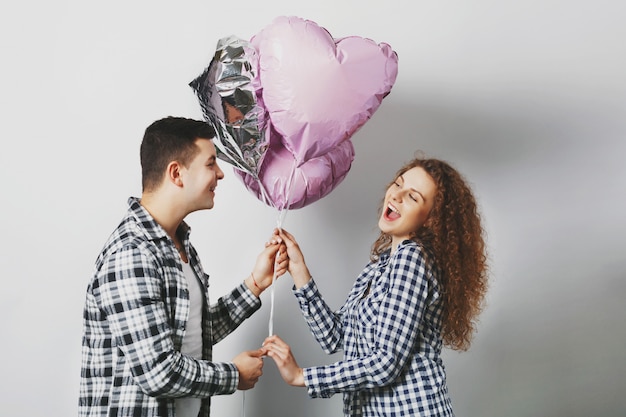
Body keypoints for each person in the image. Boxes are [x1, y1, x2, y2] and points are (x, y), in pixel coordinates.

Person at [79, 116, 285, 417]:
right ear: (176, 173)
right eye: (211, 163)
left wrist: (256, 283)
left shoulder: (180, 245)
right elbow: (157, 372)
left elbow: (191, 333)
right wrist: (233, 375)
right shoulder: (132, 253)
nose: (221, 174)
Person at [263, 154, 489, 416]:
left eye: (413, 197)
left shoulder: (412, 259)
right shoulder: (379, 266)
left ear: (431, 219)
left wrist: (302, 376)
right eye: (398, 184)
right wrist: (299, 270)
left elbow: (386, 363)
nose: (396, 195)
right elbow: (335, 337)